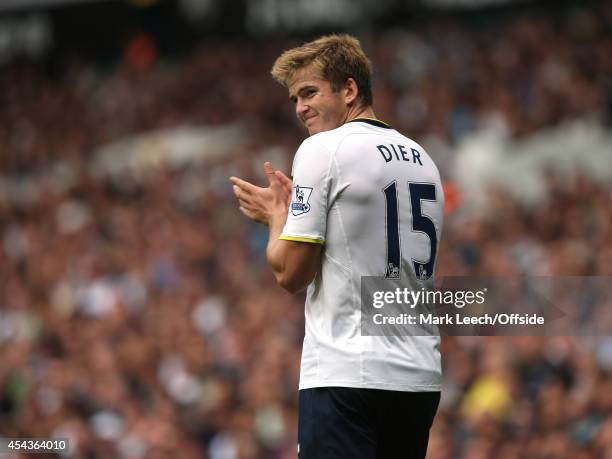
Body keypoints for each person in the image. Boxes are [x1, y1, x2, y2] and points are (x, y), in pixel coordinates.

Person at [230, 34, 444, 459]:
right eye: (295, 98)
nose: (300, 108)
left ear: (349, 89)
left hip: (348, 374)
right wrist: (302, 213)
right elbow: (361, 235)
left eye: (309, 92)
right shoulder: (422, 157)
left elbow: (291, 273)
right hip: (419, 376)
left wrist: (277, 217)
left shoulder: (322, 148)